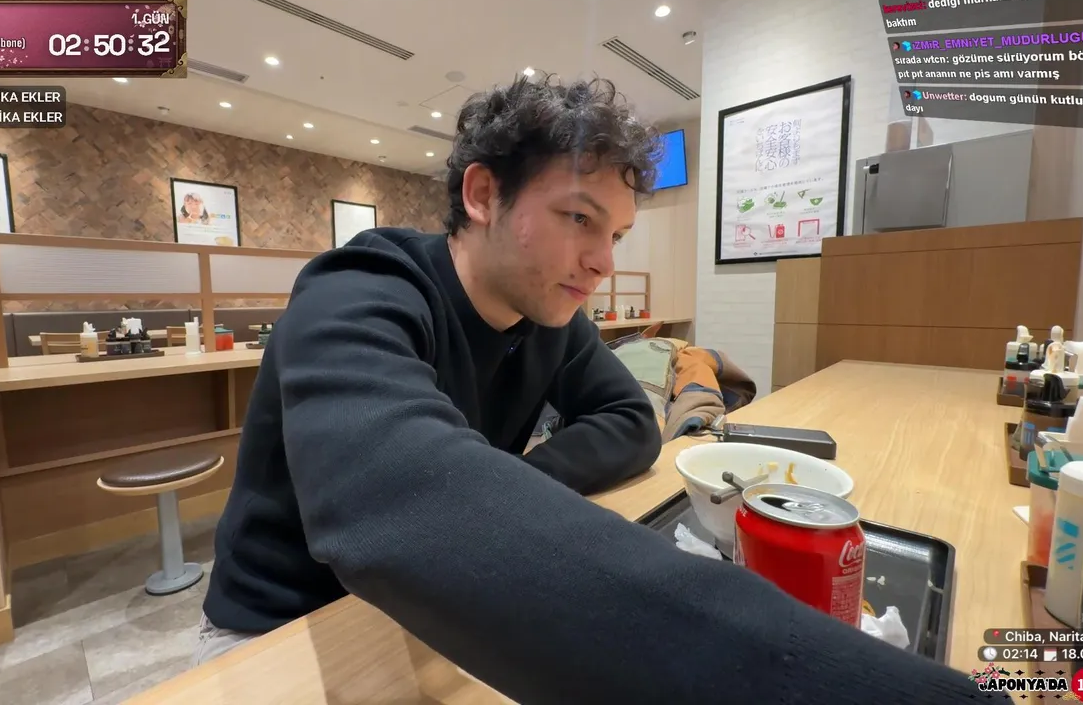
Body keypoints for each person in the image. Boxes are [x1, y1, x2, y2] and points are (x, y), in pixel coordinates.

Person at [198, 75, 1000, 703]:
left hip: (434, 596)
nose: (604, 262)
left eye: (615, 233)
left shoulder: (545, 312)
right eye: (579, 219)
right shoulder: (358, 289)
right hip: (287, 624)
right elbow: (396, 501)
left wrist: (506, 483)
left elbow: (629, 421)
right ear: (482, 195)